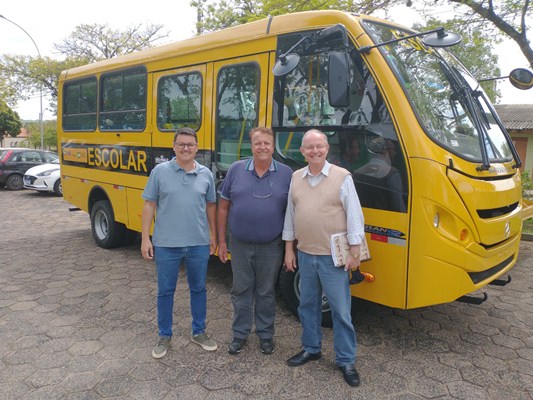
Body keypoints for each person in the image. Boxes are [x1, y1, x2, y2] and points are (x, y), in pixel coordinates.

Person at [282, 129, 365, 387]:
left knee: (341, 312)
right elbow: (290, 215)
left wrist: (355, 252)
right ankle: (311, 348)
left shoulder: (342, 177)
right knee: (307, 306)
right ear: (303, 152)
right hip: (305, 254)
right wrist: (288, 249)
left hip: (334, 259)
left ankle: (346, 360)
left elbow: (355, 216)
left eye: (319, 146)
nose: (314, 151)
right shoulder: (296, 177)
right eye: (309, 147)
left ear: (327, 149)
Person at [141, 127, 218, 359]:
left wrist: (213, 236)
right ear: (174, 147)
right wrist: (146, 238)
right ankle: (164, 335)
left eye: (190, 145)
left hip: (198, 243)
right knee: (165, 291)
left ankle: (199, 332)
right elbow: (149, 205)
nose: (186, 148)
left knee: (199, 289)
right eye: (181, 144)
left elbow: (211, 206)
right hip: (166, 244)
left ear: (196, 148)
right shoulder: (159, 172)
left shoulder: (206, 174)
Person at [217, 127, 292, 355]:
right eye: (257, 143)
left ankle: (266, 335)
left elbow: (292, 213)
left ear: (273, 146)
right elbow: (223, 207)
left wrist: (291, 247)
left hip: (272, 245)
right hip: (239, 244)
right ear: (251, 145)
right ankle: (240, 334)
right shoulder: (236, 169)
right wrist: (222, 241)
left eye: (266, 143)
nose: (262, 147)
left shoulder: (287, 173)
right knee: (240, 290)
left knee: (266, 291)